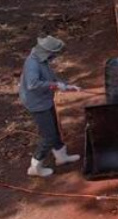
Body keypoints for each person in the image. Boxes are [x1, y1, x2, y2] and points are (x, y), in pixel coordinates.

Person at [18, 35, 81, 177]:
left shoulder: (42, 60)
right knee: (48, 137)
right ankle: (35, 167)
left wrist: (65, 86)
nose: (55, 56)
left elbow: (50, 76)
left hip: (45, 100)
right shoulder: (32, 64)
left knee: (55, 129)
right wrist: (54, 85)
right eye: (54, 53)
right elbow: (32, 84)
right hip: (37, 104)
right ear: (47, 51)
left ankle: (61, 156)